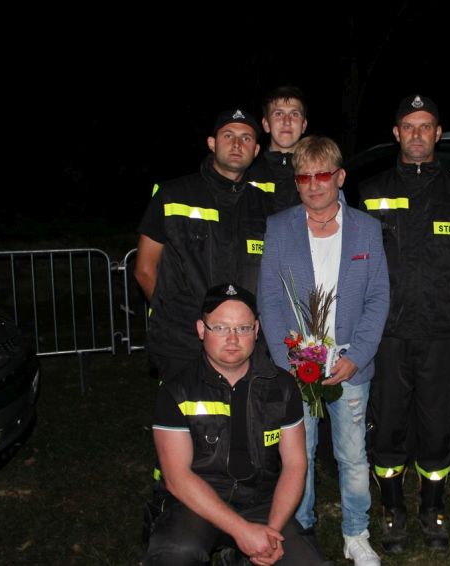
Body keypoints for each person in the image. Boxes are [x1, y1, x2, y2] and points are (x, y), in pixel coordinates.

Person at [258, 136, 389, 566]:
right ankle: (303, 533)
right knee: (299, 456)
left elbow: (378, 298)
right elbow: (269, 299)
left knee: (352, 455)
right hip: (297, 367)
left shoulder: (366, 229)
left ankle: (356, 534)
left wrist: (358, 356)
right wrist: (288, 361)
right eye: (304, 177)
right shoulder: (280, 228)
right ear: (296, 182)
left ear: (340, 177)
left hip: (350, 366)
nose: (314, 185)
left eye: (322, 175)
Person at [359, 94, 450, 554]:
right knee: (387, 424)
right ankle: (392, 509)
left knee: (438, 425)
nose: (418, 134)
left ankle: (433, 508)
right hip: (387, 334)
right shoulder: (369, 192)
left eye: (426, 126)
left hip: (442, 332)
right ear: (396, 134)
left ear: (438, 134)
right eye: (409, 126)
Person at [144, 283, 327, 565]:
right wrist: (242, 531)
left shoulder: (282, 386)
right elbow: (177, 478)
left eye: (242, 328)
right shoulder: (176, 391)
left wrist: (271, 532)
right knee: (176, 554)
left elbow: (295, 465)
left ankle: (238, 554)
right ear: (201, 330)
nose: (232, 339)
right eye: (220, 328)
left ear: (256, 330)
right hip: (197, 504)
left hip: (261, 503)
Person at [134, 108, 271, 380]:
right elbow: (144, 269)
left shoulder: (264, 205)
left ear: (256, 150)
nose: (236, 144)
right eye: (228, 135)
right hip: (183, 342)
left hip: (243, 345)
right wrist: (177, 317)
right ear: (212, 143)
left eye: (246, 138)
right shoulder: (172, 195)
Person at [246, 85, 308, 214]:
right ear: (266, 124)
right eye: (278, 114)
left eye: (294, 114)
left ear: (303, 125)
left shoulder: (320, 173)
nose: (287, 121)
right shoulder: (246, 171)